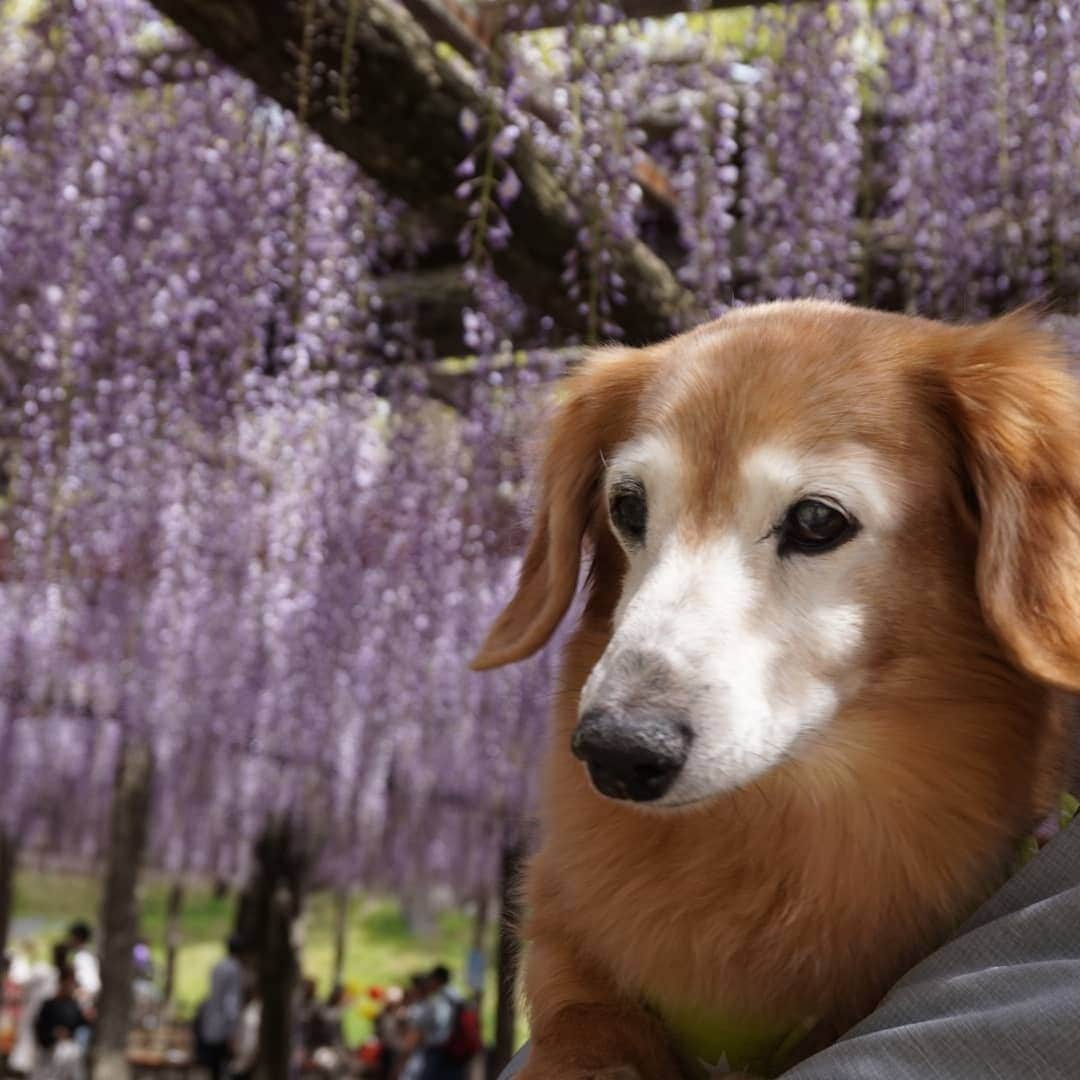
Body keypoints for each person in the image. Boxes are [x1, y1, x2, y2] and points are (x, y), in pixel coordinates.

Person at [195, 935, 247, 1080]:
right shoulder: (235, 969)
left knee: (214, 1070)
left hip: (210, 1024)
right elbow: (230, 1001)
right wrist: (232, 1032)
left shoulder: (218, 966)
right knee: (224, 1069)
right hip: (223, 1029)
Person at [32, 966, 90, 1080]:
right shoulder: (49, 1004)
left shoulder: (74, 1005)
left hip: (70, 1050)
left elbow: (79, 1023)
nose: (70, 987)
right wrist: (53, 1034)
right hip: (50, 1052)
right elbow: (40, 1027)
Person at [410, 966, 466, 1080]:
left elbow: (438, 1022)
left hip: (440, 1049)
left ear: (437, 979)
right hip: (454, 1049)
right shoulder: (456, 995)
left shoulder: (441, 999)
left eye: (431, 979)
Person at [64, 925, 99, 1006]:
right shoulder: (88, 953)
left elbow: (90, 985)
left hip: (86, 1001)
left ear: (77, 937)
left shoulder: (82, 957)